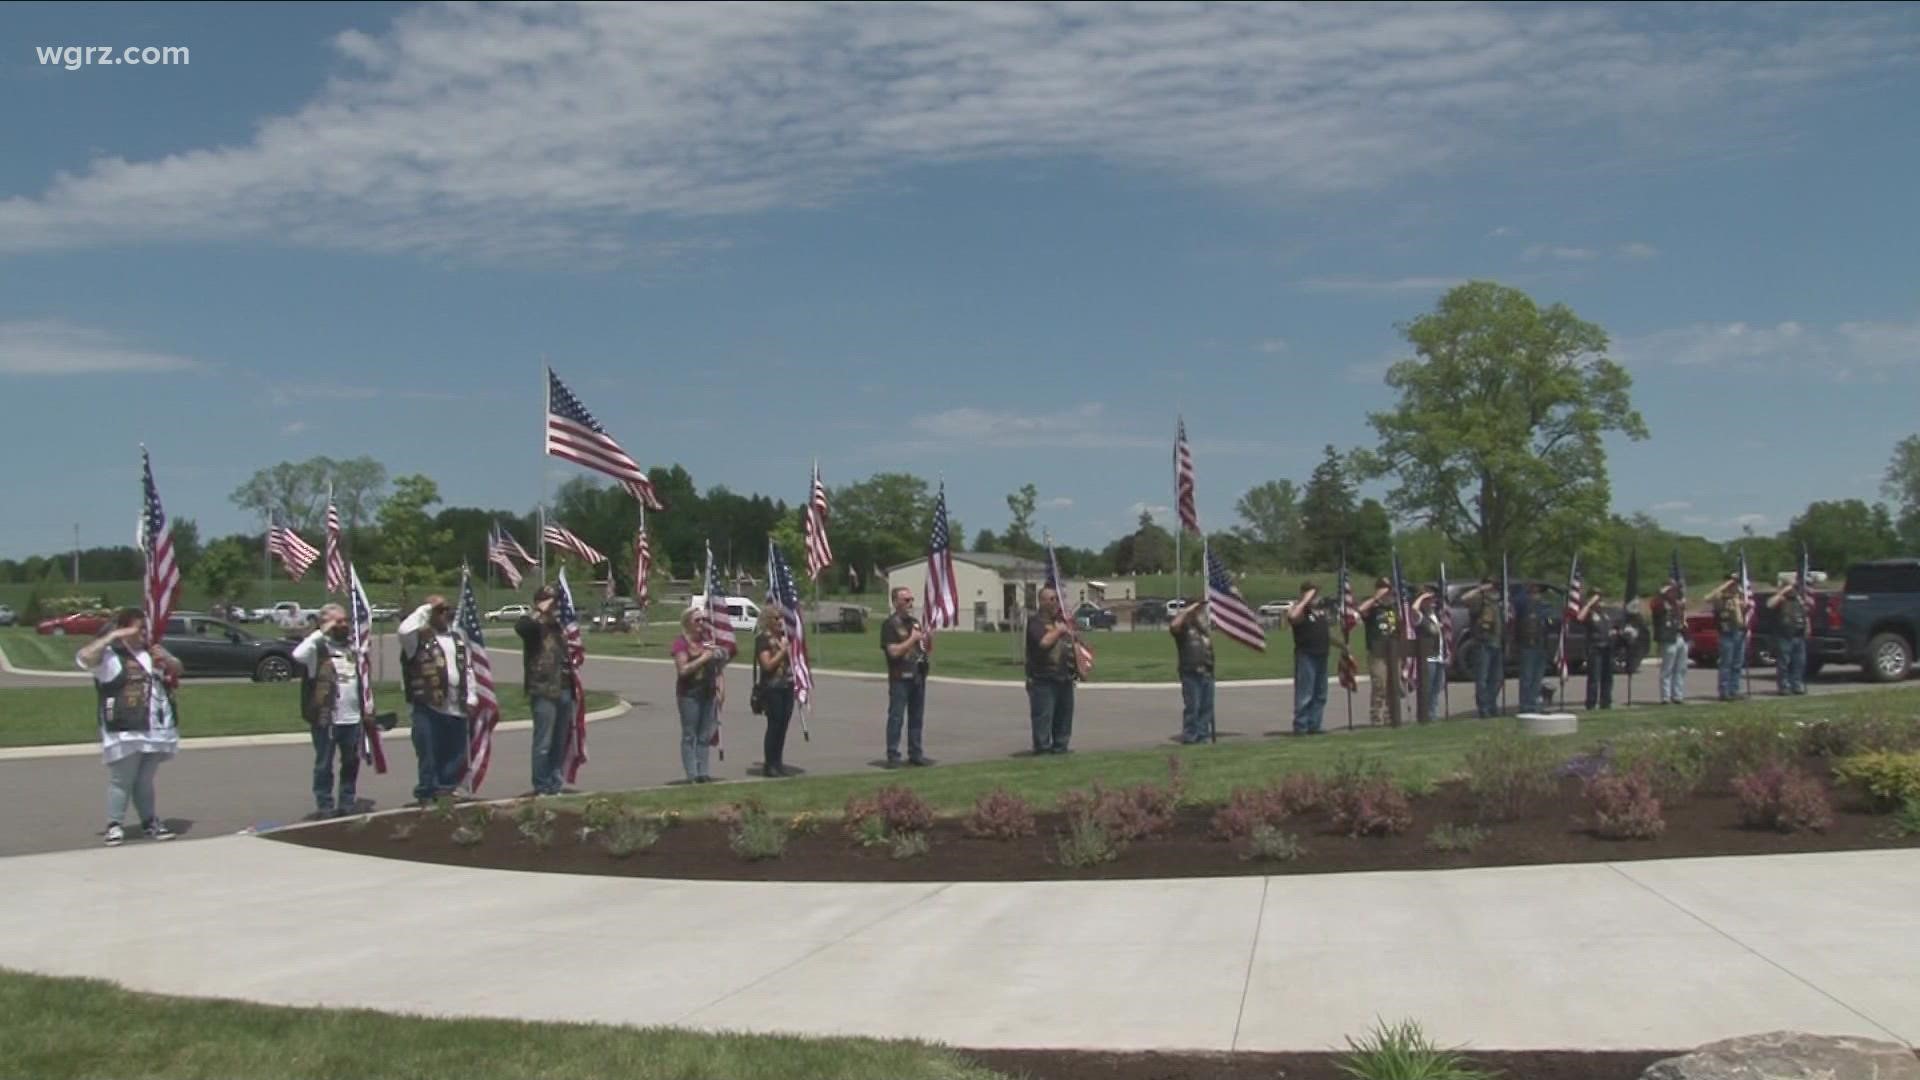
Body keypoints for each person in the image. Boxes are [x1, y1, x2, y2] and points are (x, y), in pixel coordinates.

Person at [77, 609, 181, 846]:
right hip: (124, 728)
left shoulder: (152, 653)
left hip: (154, 727)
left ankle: (149, 822)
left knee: (145, 780)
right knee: (121, 780)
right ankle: (115, 824)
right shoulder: (110, 656)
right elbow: (84, 658)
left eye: (145, 628)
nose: (143, 632)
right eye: (137, 628)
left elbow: (178, 669)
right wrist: (112, 637)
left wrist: (168, 659)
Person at [398, 596, 478, 803]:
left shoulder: (457, 638)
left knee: (454, 752)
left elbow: (467, 669)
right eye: (440, 610)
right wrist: (426, 608)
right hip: (428, 705)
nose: (445, 614)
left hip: (456, 704)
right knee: (429, 752)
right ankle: (427, 791)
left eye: (447, 610)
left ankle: (447, 788)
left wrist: (472, 697)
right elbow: (404, 630)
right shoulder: (416, 639)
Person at [293, 604, 363, 817]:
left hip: (352, 718)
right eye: (338, 621)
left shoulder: (352, 649)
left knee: (351, 763)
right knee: (324, 764)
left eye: (345, 621)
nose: (344, 625)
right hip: (327, 719)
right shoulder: (318, 650)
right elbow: (297, 655)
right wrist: (321, 631)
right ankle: (325, 805)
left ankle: (347, 802)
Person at [515, 586, 576, 796]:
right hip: (543, 689)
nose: (554, 604)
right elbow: (521, 628)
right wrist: (539, 611)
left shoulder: (558, 626)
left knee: (559, 741)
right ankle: (541, 784)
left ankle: (554, 782)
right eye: (550, 600)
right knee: (544, 742)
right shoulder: (533, 626)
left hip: (565, 688)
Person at [671, 607, 728, 783]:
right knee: (690, 735)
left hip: (708, 693)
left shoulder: (706, 641)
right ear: (688, 622)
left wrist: (721, 690)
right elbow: (683, 670)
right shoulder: (681, 644)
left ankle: (703, 772)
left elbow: (718, 666)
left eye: (703, 620)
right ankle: (691, 774)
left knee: (705, 735)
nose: (701, 623)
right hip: (689, 695)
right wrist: (703, 658)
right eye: (697, 620)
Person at [878, 587, 930, 766]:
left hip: (917, 676)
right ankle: (893, 755)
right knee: (896, 717)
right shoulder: (890, 625)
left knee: (917, 717)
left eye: (911, 599)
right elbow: (893, 652)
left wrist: (926, 640)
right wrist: (912, 639)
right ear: (896, 602)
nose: (910, 603)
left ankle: (916, 753)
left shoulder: (915, 623)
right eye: (906, 600)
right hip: (900, 677)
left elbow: (922, 648)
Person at [1025, 586, 1077, 754]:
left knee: (1064, 719)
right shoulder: (1035, 623)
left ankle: (1061, 748)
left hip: (1064, 678)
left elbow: (1072, 646)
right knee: (1043, 719)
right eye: (1051, 599)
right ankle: (1042, 751)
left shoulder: (1060, 622)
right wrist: (1060, 630)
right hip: (1043, 680)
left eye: (1056, 598)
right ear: (1041, 602)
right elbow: (1044, 642)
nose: (1055, 602)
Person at [754, 608, 797, 776]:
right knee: (774, 725)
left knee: (783, 726)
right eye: (776, 618)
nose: (780, 621)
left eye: (781, 618)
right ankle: (769, 764)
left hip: (787, 686)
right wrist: (783, 651)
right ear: (768, 620)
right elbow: (767, 665)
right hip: (772, 688)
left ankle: (778, 762)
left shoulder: (783, 639)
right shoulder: (763, 640)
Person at [1356, 577, 1403, 727]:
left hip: (1393, 651)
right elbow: (1360, 611)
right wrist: (1376, 597)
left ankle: (1391, 716)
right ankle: (1376, 717)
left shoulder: (1394, 608)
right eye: (1384, 588)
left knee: (1393, 685)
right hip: (1377, 653)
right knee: (1380, 685)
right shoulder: (1373, 608)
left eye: (1389, 589)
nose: (1387, 592)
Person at [1286, 582, 1332, 735]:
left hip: (1322, 654)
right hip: (1307, 655)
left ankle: (1315, 724)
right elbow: (1292, 617)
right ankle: (1301, 726)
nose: (1316, 597)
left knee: (1320, 693)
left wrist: (1342, 646)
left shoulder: (1319, 613)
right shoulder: (1300, 610)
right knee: (1305, 693)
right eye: (1313, 594)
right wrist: (1305, 600)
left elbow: (1327, 634)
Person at [1170, 597, 1214, 742]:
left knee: (1206, 707)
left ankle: (1202, 736)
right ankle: (1190, 736)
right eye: (1198, 609)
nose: (1201, 612)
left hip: (1206, 671)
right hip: (1190, 672)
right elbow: (1174, 626)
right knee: (1193, 707)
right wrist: (1187, 611)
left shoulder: (1203, 630)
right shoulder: (1183, 629)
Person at [1461, 576, 1502, 718]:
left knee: (1496, 679)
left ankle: (1492, 705)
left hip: (1497, 643)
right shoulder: (1479, 599)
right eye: (1489, 584)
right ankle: (1484, 708)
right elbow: (1464, 599)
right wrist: (1480, 589)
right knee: (1482, 678)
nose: (1492, 587)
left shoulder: (1498, 600)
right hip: (1483, 643)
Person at [1705, 573, 1749, 701]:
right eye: (1732, 583)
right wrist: (1727, 584)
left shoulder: (1737, 598)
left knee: (1737, 664)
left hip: (1739, 632)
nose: (1734, 586)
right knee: (1726, 663)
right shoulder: (1720, 598)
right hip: (1726, 633)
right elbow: (1708, 598)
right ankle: (1724, 691)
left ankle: (1734, 690)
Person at [1769, 582, 1810, 696]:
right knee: (1784, 662)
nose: (1793, 590)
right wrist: (1783, 591)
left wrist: (1807, 627)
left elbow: (1805, 614)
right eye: (1791, 588)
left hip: (1799, 635)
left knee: (1799, 662)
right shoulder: (1781, 600)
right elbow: (1769, 604)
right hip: (1784, 636)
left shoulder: (1798, 600)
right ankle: (1784, 686)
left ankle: (1796, 685)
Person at [1650, 582, 1687, 705]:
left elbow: (1680, 617)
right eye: (1671, 591)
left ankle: (1678, 695)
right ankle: (1665, 697)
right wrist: (1662, 593)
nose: (1674, 593)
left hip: (1679, 636)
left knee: (1680, 668)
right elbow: (1654, 605)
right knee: (1667, 669)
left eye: (1675, 591)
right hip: (1667, 639)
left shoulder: (1676, 604)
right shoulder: (1660, 603)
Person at [1580, 587, 1616, 710]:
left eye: (1600, 598)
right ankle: (1591, 703)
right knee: (1594, 677)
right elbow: (1579, 618)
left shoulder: (1605, 614)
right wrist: (1589, 604)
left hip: (1607, 648)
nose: (1600, 601)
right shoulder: (1589, 613)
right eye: (1597, 598)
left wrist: (1614, 632)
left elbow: (1611, 627)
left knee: (1608, 677)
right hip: (1595, 648)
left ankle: (1606, 702)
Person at [1515, 582, 1549, 712]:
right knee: (1527, 677)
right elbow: (1517, 601)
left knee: (1537, 677)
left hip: (1541, 645)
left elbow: (1551, 622)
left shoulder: (1544, 607)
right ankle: (1526, 705)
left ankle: (1535, 703)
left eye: (1539, 592)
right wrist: (1525, 592)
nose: (1537, 595)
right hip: (1527, 644)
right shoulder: (1523, 606)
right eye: (1534, 592)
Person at [1412, 585, 1444, 723]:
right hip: (1428, 655)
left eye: (1432, 599)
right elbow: (1413, 609)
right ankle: (1425, 714)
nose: (1432, 602)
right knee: (1428, 685)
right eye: (1429, 600)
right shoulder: (1420, 617)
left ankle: (1433, 713)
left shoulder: (1435, 615)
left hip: (1439, 654)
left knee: (1437, 686)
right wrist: (1422, 597)